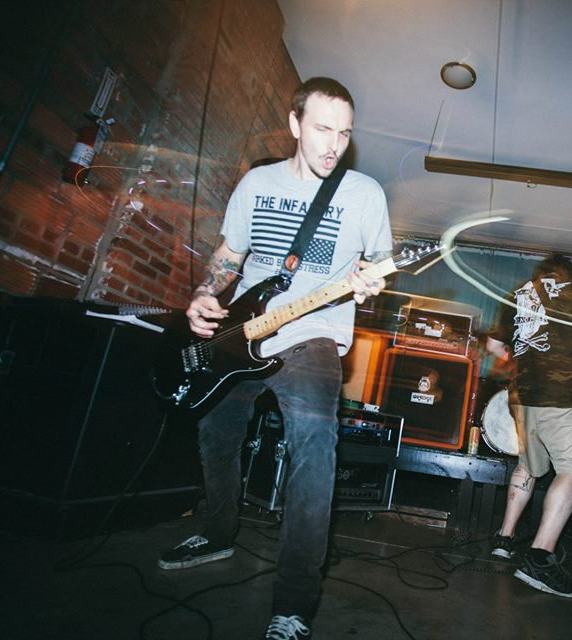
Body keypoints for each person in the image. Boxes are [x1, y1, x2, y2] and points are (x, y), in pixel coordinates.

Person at [157, 77, 392, 640]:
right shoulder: (257, 183)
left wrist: (370, 282)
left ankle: (293, 603)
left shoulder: (363, 194)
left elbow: (379, 267)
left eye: (344, 133)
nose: (334, 144)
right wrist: (203, 292)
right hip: (240, 335)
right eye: (323, 129)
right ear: (294, 124)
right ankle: (218, 533)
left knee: (314, 455)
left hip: (314, 334)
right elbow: (230, 255)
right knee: (215, 434)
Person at [485, 253, 572, 598]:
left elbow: (494, 345)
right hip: (566, 395)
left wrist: (521, 364)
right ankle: (539, 559)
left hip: (524, 397)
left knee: (527, 465)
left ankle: (504, 538)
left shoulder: (517, 293)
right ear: (569, 275)